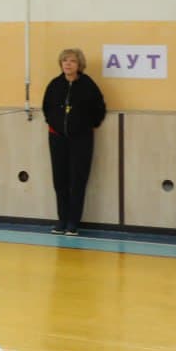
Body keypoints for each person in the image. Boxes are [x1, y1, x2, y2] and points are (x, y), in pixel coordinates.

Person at [41, 48, 107, 237]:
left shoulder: (88, 85)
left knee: (78, 180)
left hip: (82, 139)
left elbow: (99, 108)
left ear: (79, 65)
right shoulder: (54, 85)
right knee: (60, 180)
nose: (68, 64)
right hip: (57, 138)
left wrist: (89, 125)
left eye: (72, 61)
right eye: (64, 61)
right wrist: (53, 123)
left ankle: (73, 223)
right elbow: (47, 108)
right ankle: (61, 220)